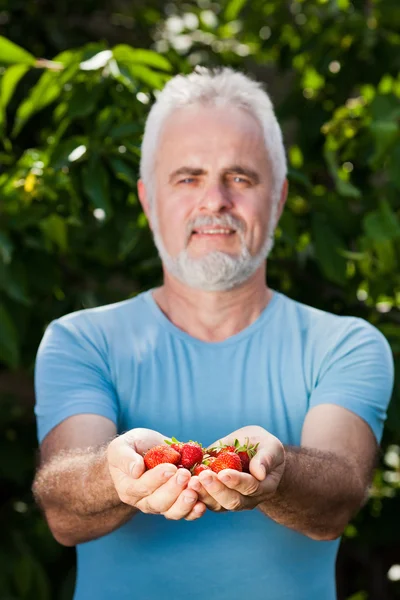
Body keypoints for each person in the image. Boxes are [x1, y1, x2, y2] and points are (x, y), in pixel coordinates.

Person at [32, 67, 394, 600]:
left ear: (279, 197)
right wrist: (115, 475)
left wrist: (280, 472)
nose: (215, 200)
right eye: (188, 177)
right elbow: (64, 515)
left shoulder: (347, 345)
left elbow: (336, 502)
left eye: (241, 177)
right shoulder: (79, 341)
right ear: (147, 198)